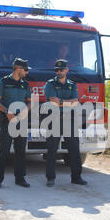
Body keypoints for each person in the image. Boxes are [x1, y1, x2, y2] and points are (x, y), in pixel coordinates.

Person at [44, 59, 87, 187]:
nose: (59, 72)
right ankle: (50, 178)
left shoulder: (72, 84)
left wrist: (61, 102)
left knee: (74, 149)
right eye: (57, 70)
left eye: (61, 69)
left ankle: (76, 177)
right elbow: (53, 100)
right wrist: (68, 102)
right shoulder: (50, 84)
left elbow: (76, 102)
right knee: (52, 150)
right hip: (54, 118)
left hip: (69, 119)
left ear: (66, 70)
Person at [0, 58, 32, 189]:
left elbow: (30, 101)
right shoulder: (3, 83)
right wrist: (7, 111)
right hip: (7, 121)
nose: (27, 72)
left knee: (21, 151)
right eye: (25, 70)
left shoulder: (25, 85)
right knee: (4, 150)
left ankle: (20, 179)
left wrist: (26, 110)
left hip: (21, 121)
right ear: (18, 69)